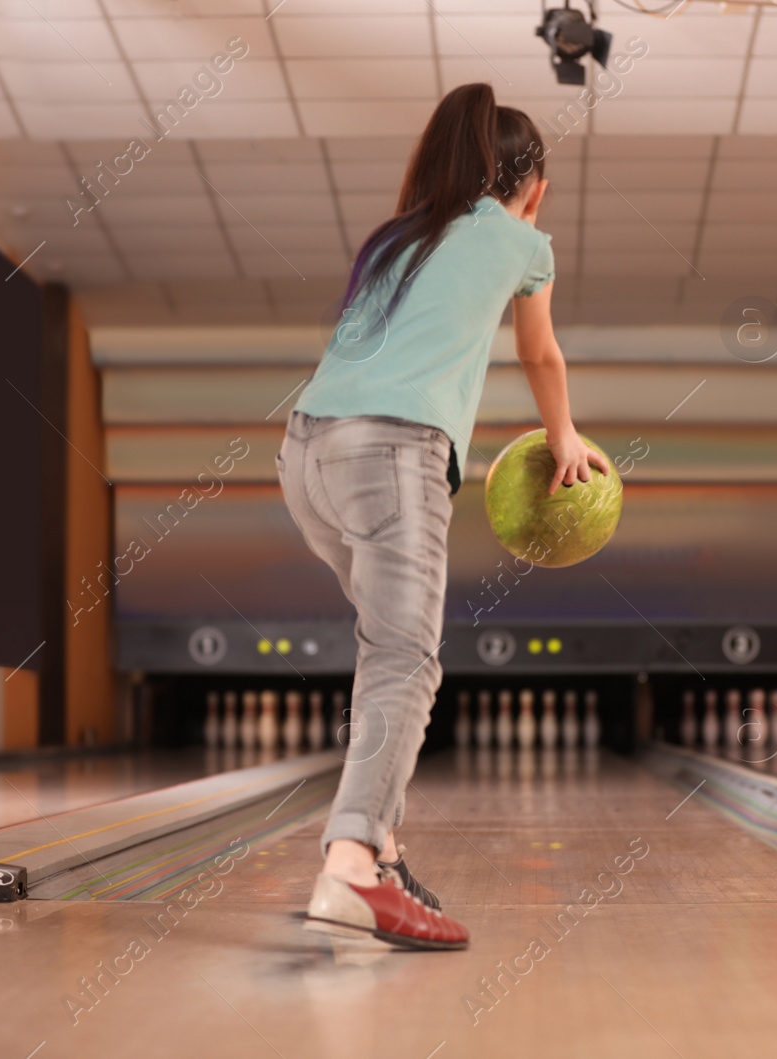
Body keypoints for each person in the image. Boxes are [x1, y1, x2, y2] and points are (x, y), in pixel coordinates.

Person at [277, 83, 607, 951]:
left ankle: (379, 846)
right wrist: (565, 440)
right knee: (405, 661)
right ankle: (350, 866)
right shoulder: (522, 240)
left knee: (384, 645)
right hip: (393, 453)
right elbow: (540, 350)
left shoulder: (401, 233)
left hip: (307, 455)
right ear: (529, 183)